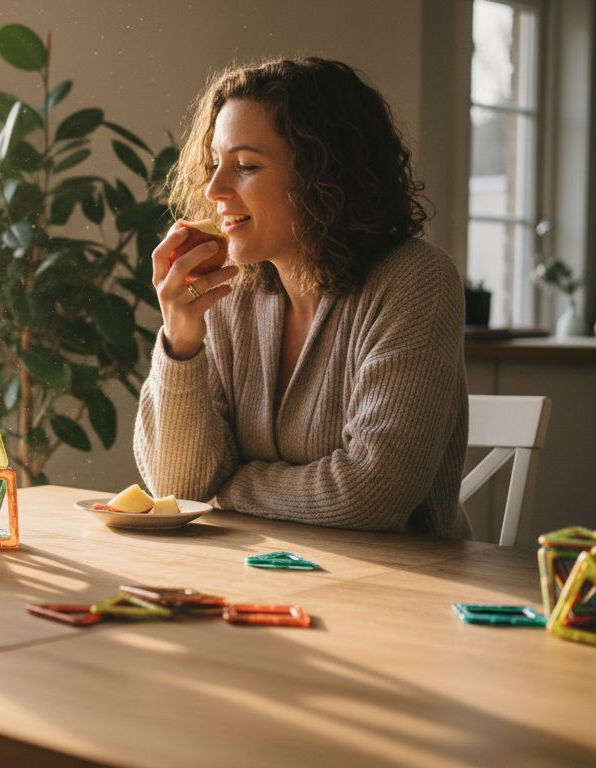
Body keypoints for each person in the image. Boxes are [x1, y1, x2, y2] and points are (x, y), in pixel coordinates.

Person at [133, 57, 470, 537]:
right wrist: (180, 342)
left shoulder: (415, 279)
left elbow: (373, 496)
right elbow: (177, 486)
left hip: (396, 577)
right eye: (213, 164)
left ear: (324, 176)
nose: (213, 189)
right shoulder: (229, 293)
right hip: (261, 568)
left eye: (245, 166)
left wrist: (228, 487)